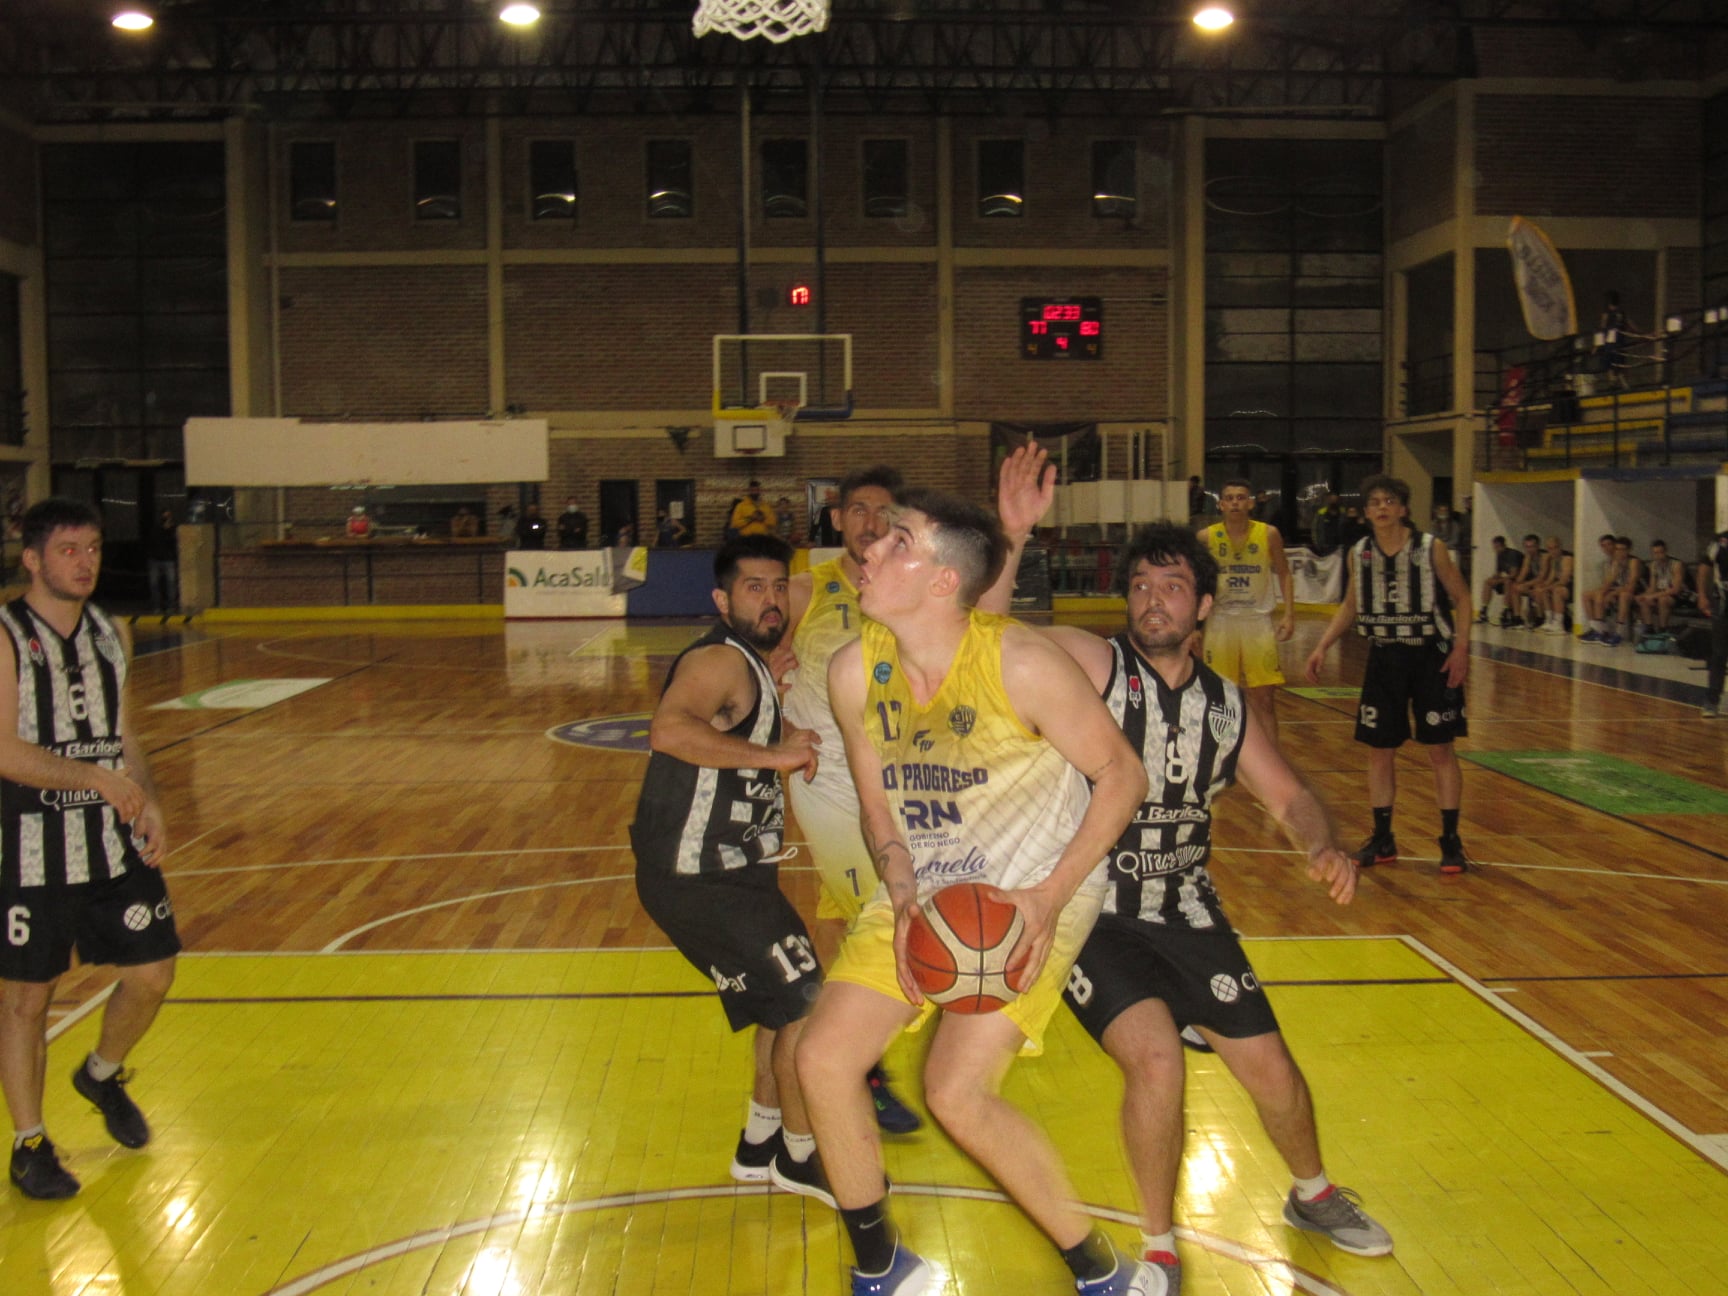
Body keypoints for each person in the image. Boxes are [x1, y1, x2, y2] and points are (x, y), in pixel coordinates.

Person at [797, 490, 1159, 1296]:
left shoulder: (1022, 663)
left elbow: (1122, 776)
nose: (870, 551)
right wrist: (897, 885)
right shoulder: (855, 670)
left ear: (940, 581)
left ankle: (1099, 1271)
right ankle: (881, 1266)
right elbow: (878, 811)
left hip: (1030, 893)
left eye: (897, 543)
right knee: (822, 1058)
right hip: (925, 891)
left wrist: (1045, 896)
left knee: (955, 1094)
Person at [1029, 523, 1388, 1293]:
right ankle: (1159, 1245)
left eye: (1171, 587)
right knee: (1156, 1061)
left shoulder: (1226, 707)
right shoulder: (1095, 666)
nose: (1153, 601)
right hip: (1094, 912)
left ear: (1202, 610)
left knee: (1275, 1071)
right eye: (1140, 586)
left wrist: (1322, 846)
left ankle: (1313, 1194)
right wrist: (1016, 530)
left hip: (1188, 908)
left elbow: (1291, 796)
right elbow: (994, 633)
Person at [629, 535, 828, 1196]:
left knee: (780, 1008)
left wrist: (779, 737)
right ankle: (802, 1156)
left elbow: (732, 733)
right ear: (721, 599)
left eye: (778, 587)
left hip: (733, 873)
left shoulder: (753, 662)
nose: (772, 600)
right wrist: (778, 757)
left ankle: (760, 1140)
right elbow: (669, 729)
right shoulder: (721, 659)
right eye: (754, 588)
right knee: (808, 1006)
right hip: (701, 876)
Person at [2, 499, 180, 1200]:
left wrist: (148, 799)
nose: (85, 562)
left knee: (154, 975)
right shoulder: (9, 636)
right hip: (27, 841)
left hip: (109, 839)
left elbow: (123, 732)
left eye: (94, 549)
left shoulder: (114, 633)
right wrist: (94, 778)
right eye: (69, 550)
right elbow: (5, 750)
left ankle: (100, 1074)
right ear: (33, 559)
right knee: (25, 1000)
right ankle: (30, 1143)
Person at [779, 465, 922, 1136]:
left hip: (902, 772)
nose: (870, 521)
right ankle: (860, 1067)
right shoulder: (808, 590)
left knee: (873, 914)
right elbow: (759, 669)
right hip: (830, 778)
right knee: (871, 911)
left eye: (883, 511)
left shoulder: (912, 587)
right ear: (836, 520)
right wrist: (780, 731)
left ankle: (846, 1047)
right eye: (857, 509)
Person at [1304, 475, 1473, 876]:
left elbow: (1463, 598)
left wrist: (1462, 648)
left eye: (1389, 501)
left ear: (1403, 509)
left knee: (1440, 749)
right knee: (1380, 750)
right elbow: (1351, 604)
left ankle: (1451, 840)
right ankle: (1383, 838)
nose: (1382, 508)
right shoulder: (1359, 552)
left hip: (1432, 656)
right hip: (1384, 657)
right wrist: (1322, 645)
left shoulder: (1432, 549)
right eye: (1374, 502)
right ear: (1365, 513)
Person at [1197, 479, 1295, 744]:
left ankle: (1271, 762)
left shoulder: (1269, 534)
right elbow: (1194, 580)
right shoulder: (1206, 537)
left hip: (1257, 622)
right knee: (1218, 698)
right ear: (1221, 504)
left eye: (1241, 497)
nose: (1235, 502)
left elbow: (1284, 573)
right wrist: (1194, 625)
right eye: (1229, 498)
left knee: (1263, 698)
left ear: (1251, 503)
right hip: (1220, 623)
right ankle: (1218, 758)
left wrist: (1289, 614)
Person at [1581, 536, 1640, 646]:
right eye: (1617, 549)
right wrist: (1602, 591)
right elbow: (1610, 580)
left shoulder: (1633, 561)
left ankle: (1618, 633)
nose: (1619, 552)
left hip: (1635, 591)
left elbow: (1631, 585)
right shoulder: (1616, 562)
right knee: (1587, 595)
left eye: (1622, 549)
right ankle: (1597, 629)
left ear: (1628, 550)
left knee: (1623, 595)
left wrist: (1613, 593)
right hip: (1619, 589)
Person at [1633, 539, 1689, 640]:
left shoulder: (1676, 564)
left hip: (1681, 595)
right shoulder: (1653, 565)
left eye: (1661, 552)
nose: (1658, 556)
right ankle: (1649, 628)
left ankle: (1663, 629)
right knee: (1644, 600)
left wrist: (1653, 596)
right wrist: (1644, 596)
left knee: (1663, 600)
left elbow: (1676, 590)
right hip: (1662, 593)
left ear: (1666, 551)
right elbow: (1653, 587)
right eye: (1655, 553)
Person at [1698, 530, 1728, 718]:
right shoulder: (1720, 540)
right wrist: (1702, 595)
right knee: (1719, 653)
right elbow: (1705, 567)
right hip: (1723, 601)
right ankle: (1711, 701)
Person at [1474, 535, 1522, 626]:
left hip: (1517, 580)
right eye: (1494, 547)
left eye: (1497, 547)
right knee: (1488, 582)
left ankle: (1505, 610)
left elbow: (1514, 574)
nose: (1495, 549)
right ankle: (1484, 610)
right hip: (1508, 579)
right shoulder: (1499, 555)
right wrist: (1493, 579)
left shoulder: (1512, 554)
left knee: (1508, 582)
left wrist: (1499, 581)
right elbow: (1499, 572)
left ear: (1502, 545)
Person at [1530, 536, 1574, 634]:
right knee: (1542, 589)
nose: (1553, 551)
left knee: (1557, 590)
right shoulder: (1554, 561)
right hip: (1561, 586)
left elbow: (1564, 580)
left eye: (1555, 548)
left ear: (1560, 547)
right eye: (1550, 549)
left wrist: (1548, 587)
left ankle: (1559, 624)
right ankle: (1549, 620)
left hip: (1571, 587)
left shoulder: (1567, 558)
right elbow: (1550, 578)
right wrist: (1540, 587)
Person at [1506, 534, 1547, 629]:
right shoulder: (1528, 557)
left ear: (1537, 546)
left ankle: (1540, 618)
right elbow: (1523, 573)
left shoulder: (1544, 557)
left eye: (1532, 547)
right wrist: (1517, 583)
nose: (1529, 550)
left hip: (1545, 583)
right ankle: (1517, 618)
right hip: (1533, 583)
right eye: (1527, 547)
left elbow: (1542, 577)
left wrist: (1526, 584)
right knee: (1515, 588)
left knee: (1538, 588)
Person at [146, 508, 178, 615]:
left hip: (168, 559)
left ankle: (170, 606)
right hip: (155, 559)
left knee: (171, 584)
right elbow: (153, 540)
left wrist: (169, 530)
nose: (166, 519)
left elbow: (174, 542)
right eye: (164, 517)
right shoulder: (156, 528)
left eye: (168, 517)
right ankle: (156, 606)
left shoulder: (173, 529)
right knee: (154, 584)